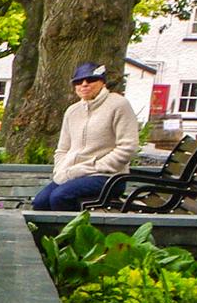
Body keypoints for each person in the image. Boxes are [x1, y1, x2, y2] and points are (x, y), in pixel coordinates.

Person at [30, 62, 142, 210]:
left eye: (91, 80)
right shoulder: (72, 111)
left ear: (102, 82)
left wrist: (95, 167)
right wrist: (61, 170)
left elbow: (128, 147)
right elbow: (62, 149)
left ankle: (74, 226)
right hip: (73, 174)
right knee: (40, 202)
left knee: (60, 196)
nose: (84, 84)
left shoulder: (119, 105)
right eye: (78, 81)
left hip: (107, 176)